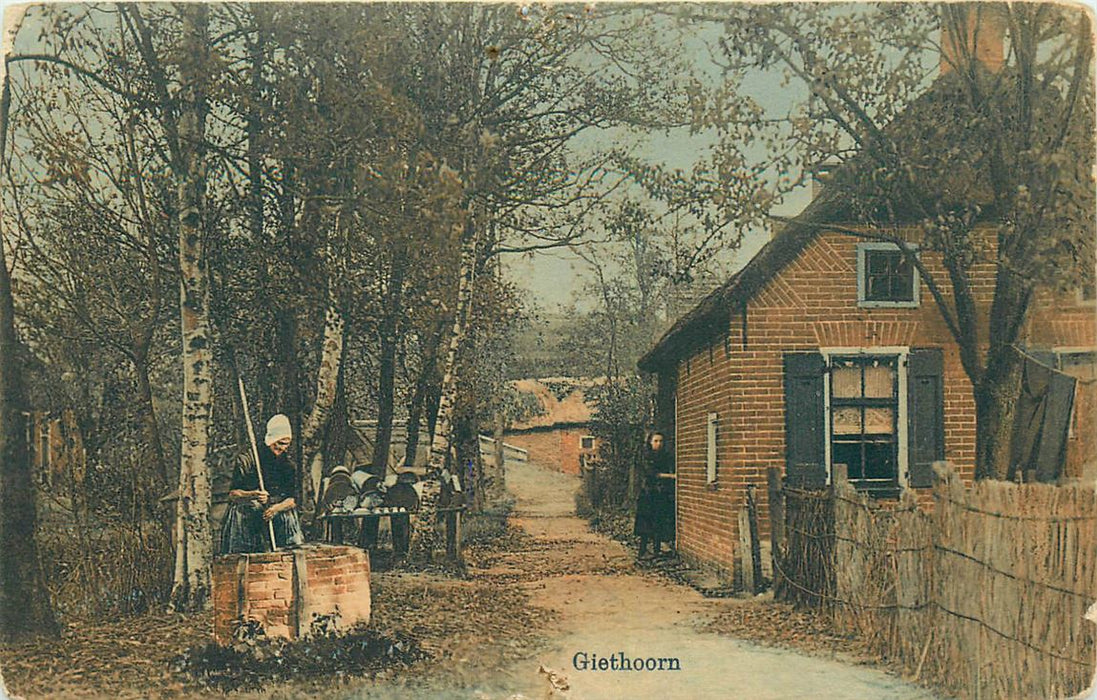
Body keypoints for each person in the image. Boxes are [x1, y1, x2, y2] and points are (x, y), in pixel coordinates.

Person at [220, 414, 304, 554]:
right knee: (246, 510)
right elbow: (233, 495)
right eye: (280, 444)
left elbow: (292, 499)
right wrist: (254, 494)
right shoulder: (248, 459)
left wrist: (276, 508)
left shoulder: (288, 466)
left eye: (287, 444)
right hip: (248, 515)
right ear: (271, 440)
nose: (283, 448)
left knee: (287, 517)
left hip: (278, 513)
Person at [634, 431, 675, 558]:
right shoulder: (646, 456)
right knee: (646, 523)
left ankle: (657, 550)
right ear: (650, 442)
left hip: (661, 493)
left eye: (661, 441)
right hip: (648, 492)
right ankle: (642, 551)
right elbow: (651, 474)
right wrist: (671, 476)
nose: (659, 444)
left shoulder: (665, 456)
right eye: (656, 441)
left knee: (659, 521)